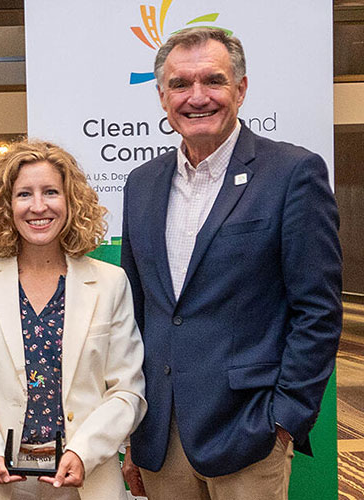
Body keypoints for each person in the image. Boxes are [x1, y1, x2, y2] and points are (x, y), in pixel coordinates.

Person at [119, 27, 342, 500]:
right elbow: (137, 314)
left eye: (213, 81)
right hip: (161, 434)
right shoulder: (141, 184)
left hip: (249, 433)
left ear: (240, 89)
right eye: (180, 84)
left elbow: (318, 312)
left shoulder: (292, 174)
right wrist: (133, 429)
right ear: (162, 96)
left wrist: (284, 421)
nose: (196, 97)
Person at [0, 140, 146, 500]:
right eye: (24, 194)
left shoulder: (110, 283)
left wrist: (84, 452)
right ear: (7, 204)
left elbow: (127, 390)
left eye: (51, 192)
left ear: (71, 201)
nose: (38, 207)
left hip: (85, 480)